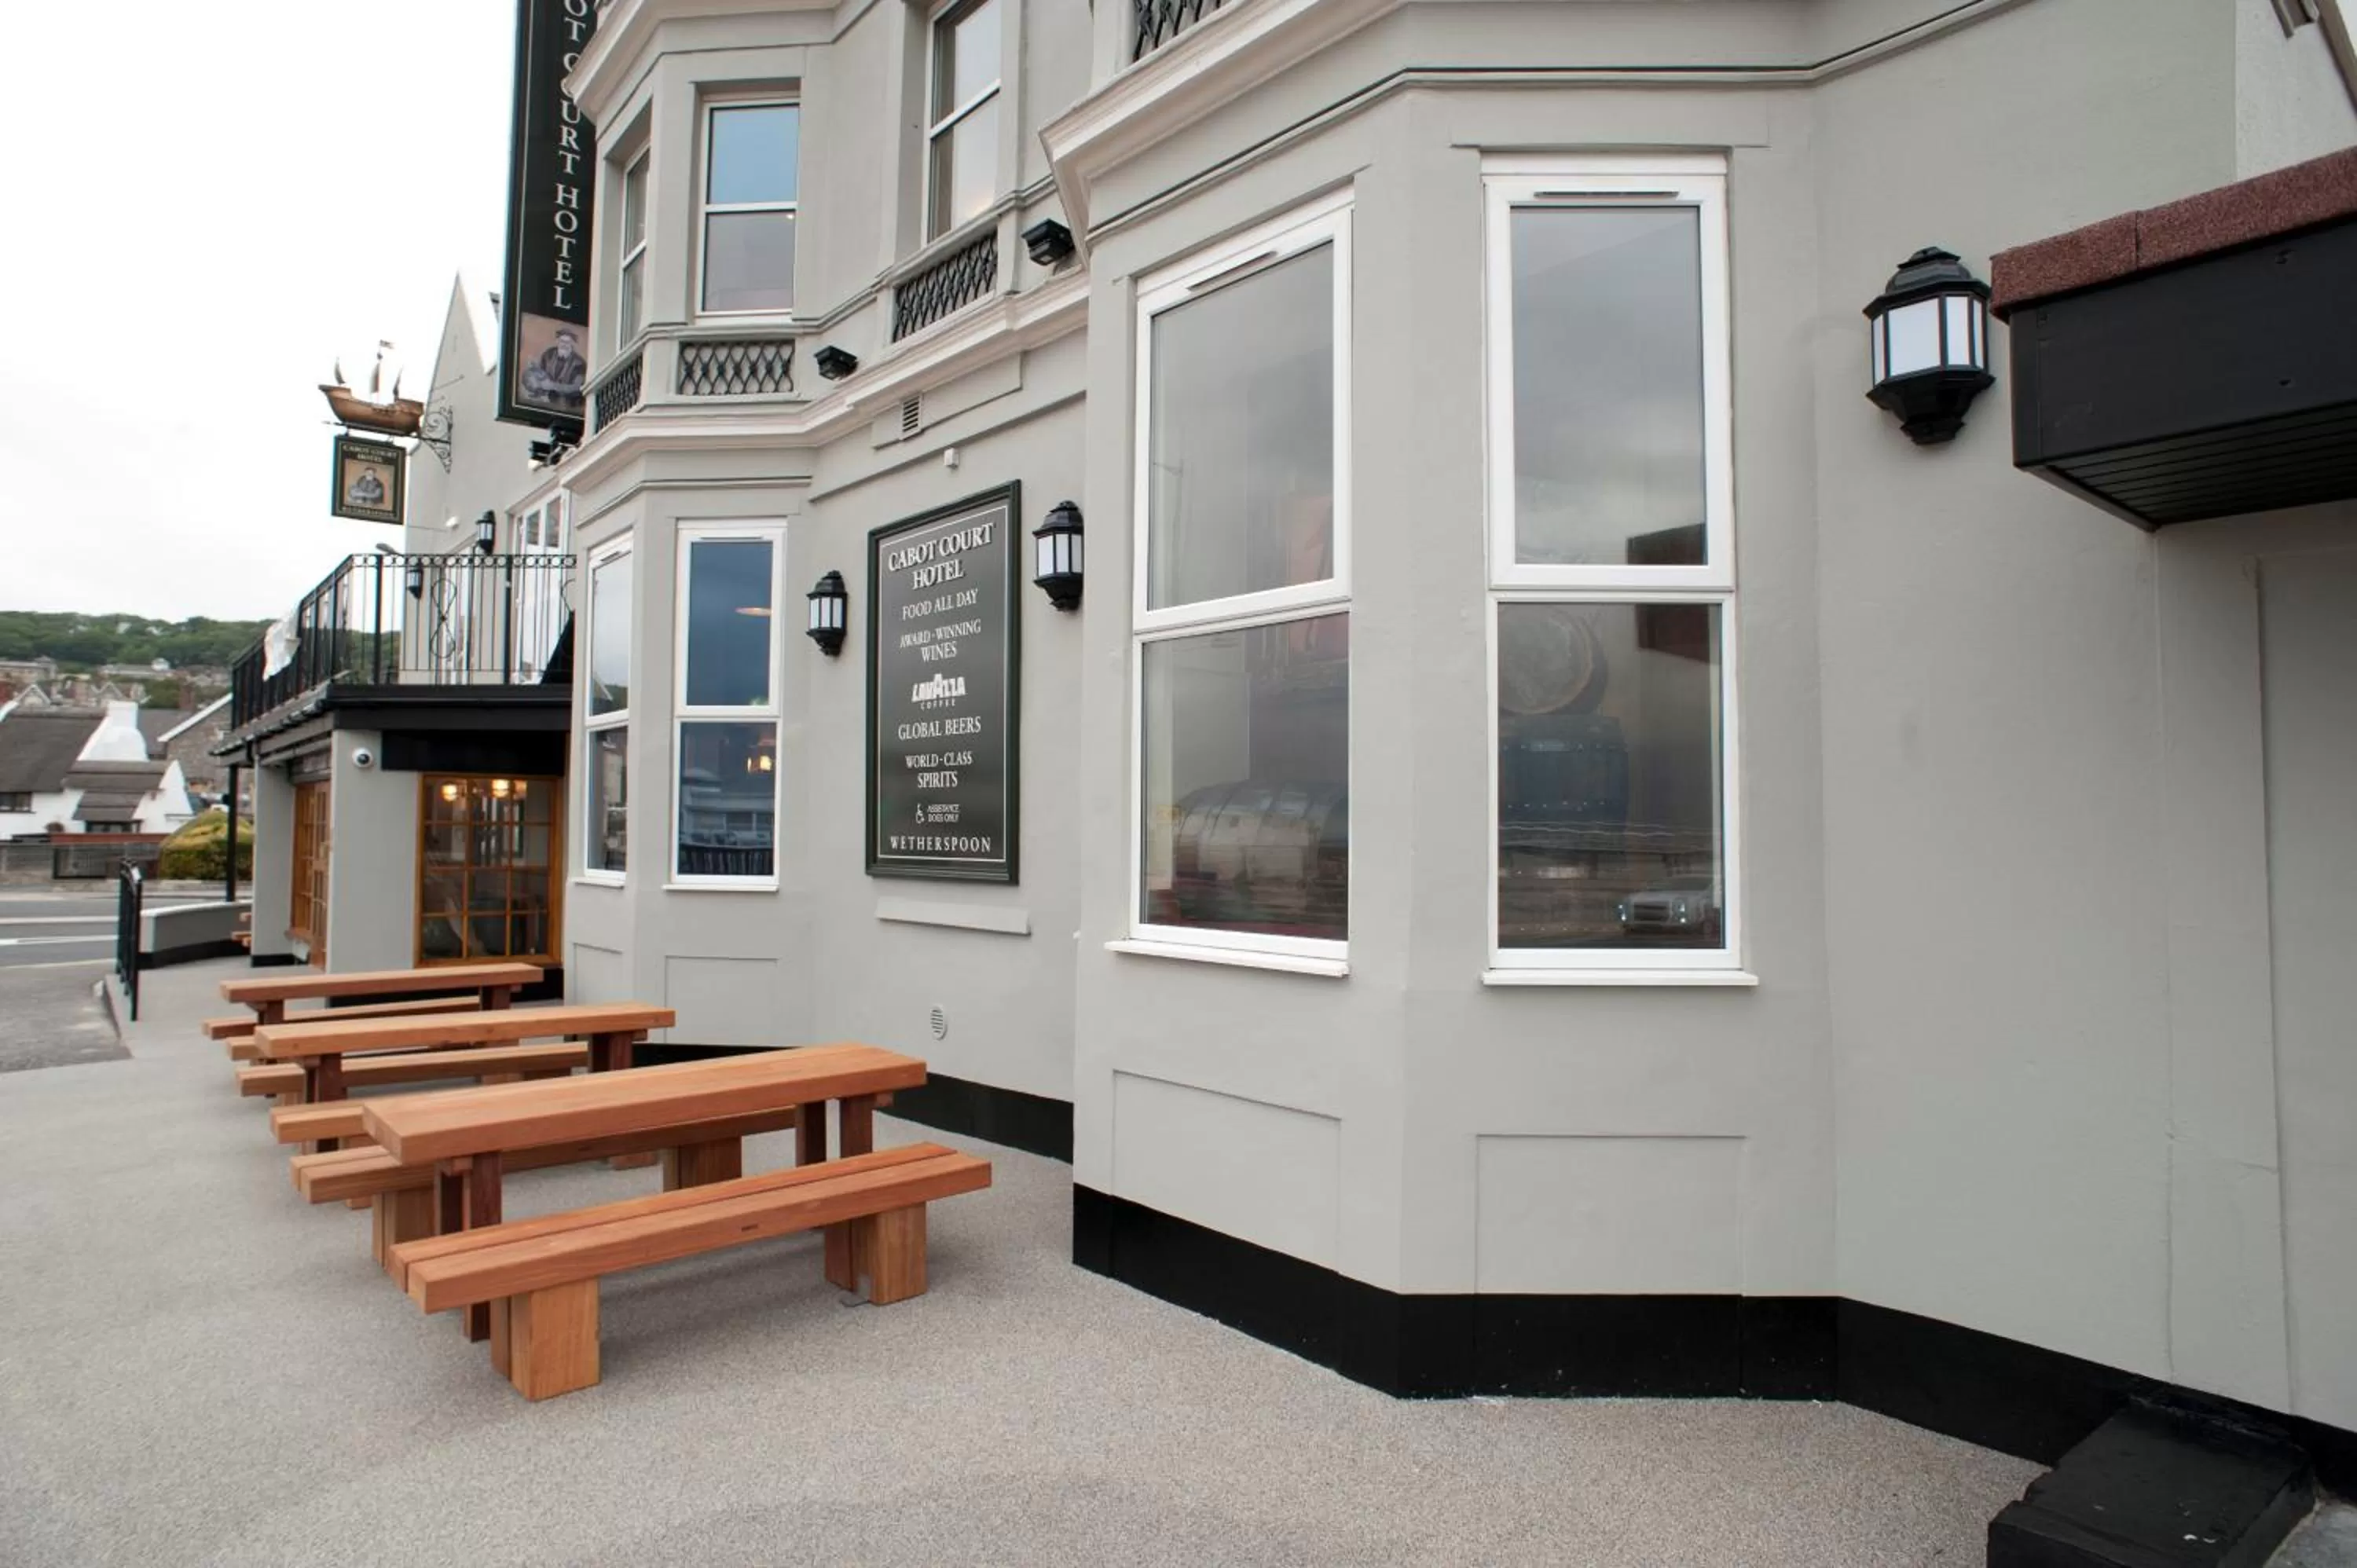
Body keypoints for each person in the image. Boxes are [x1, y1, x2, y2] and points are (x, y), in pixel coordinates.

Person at [522, 326, 587, 411]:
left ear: (572, 344)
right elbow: (543, 374)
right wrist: (535, 369)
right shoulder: (548, 354)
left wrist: (552, 386)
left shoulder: (580, 363)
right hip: (548, 399)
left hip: (569, 403)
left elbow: (576, 387)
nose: (564, 345)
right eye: (562, 341)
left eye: (568, 342)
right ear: (557, 342)